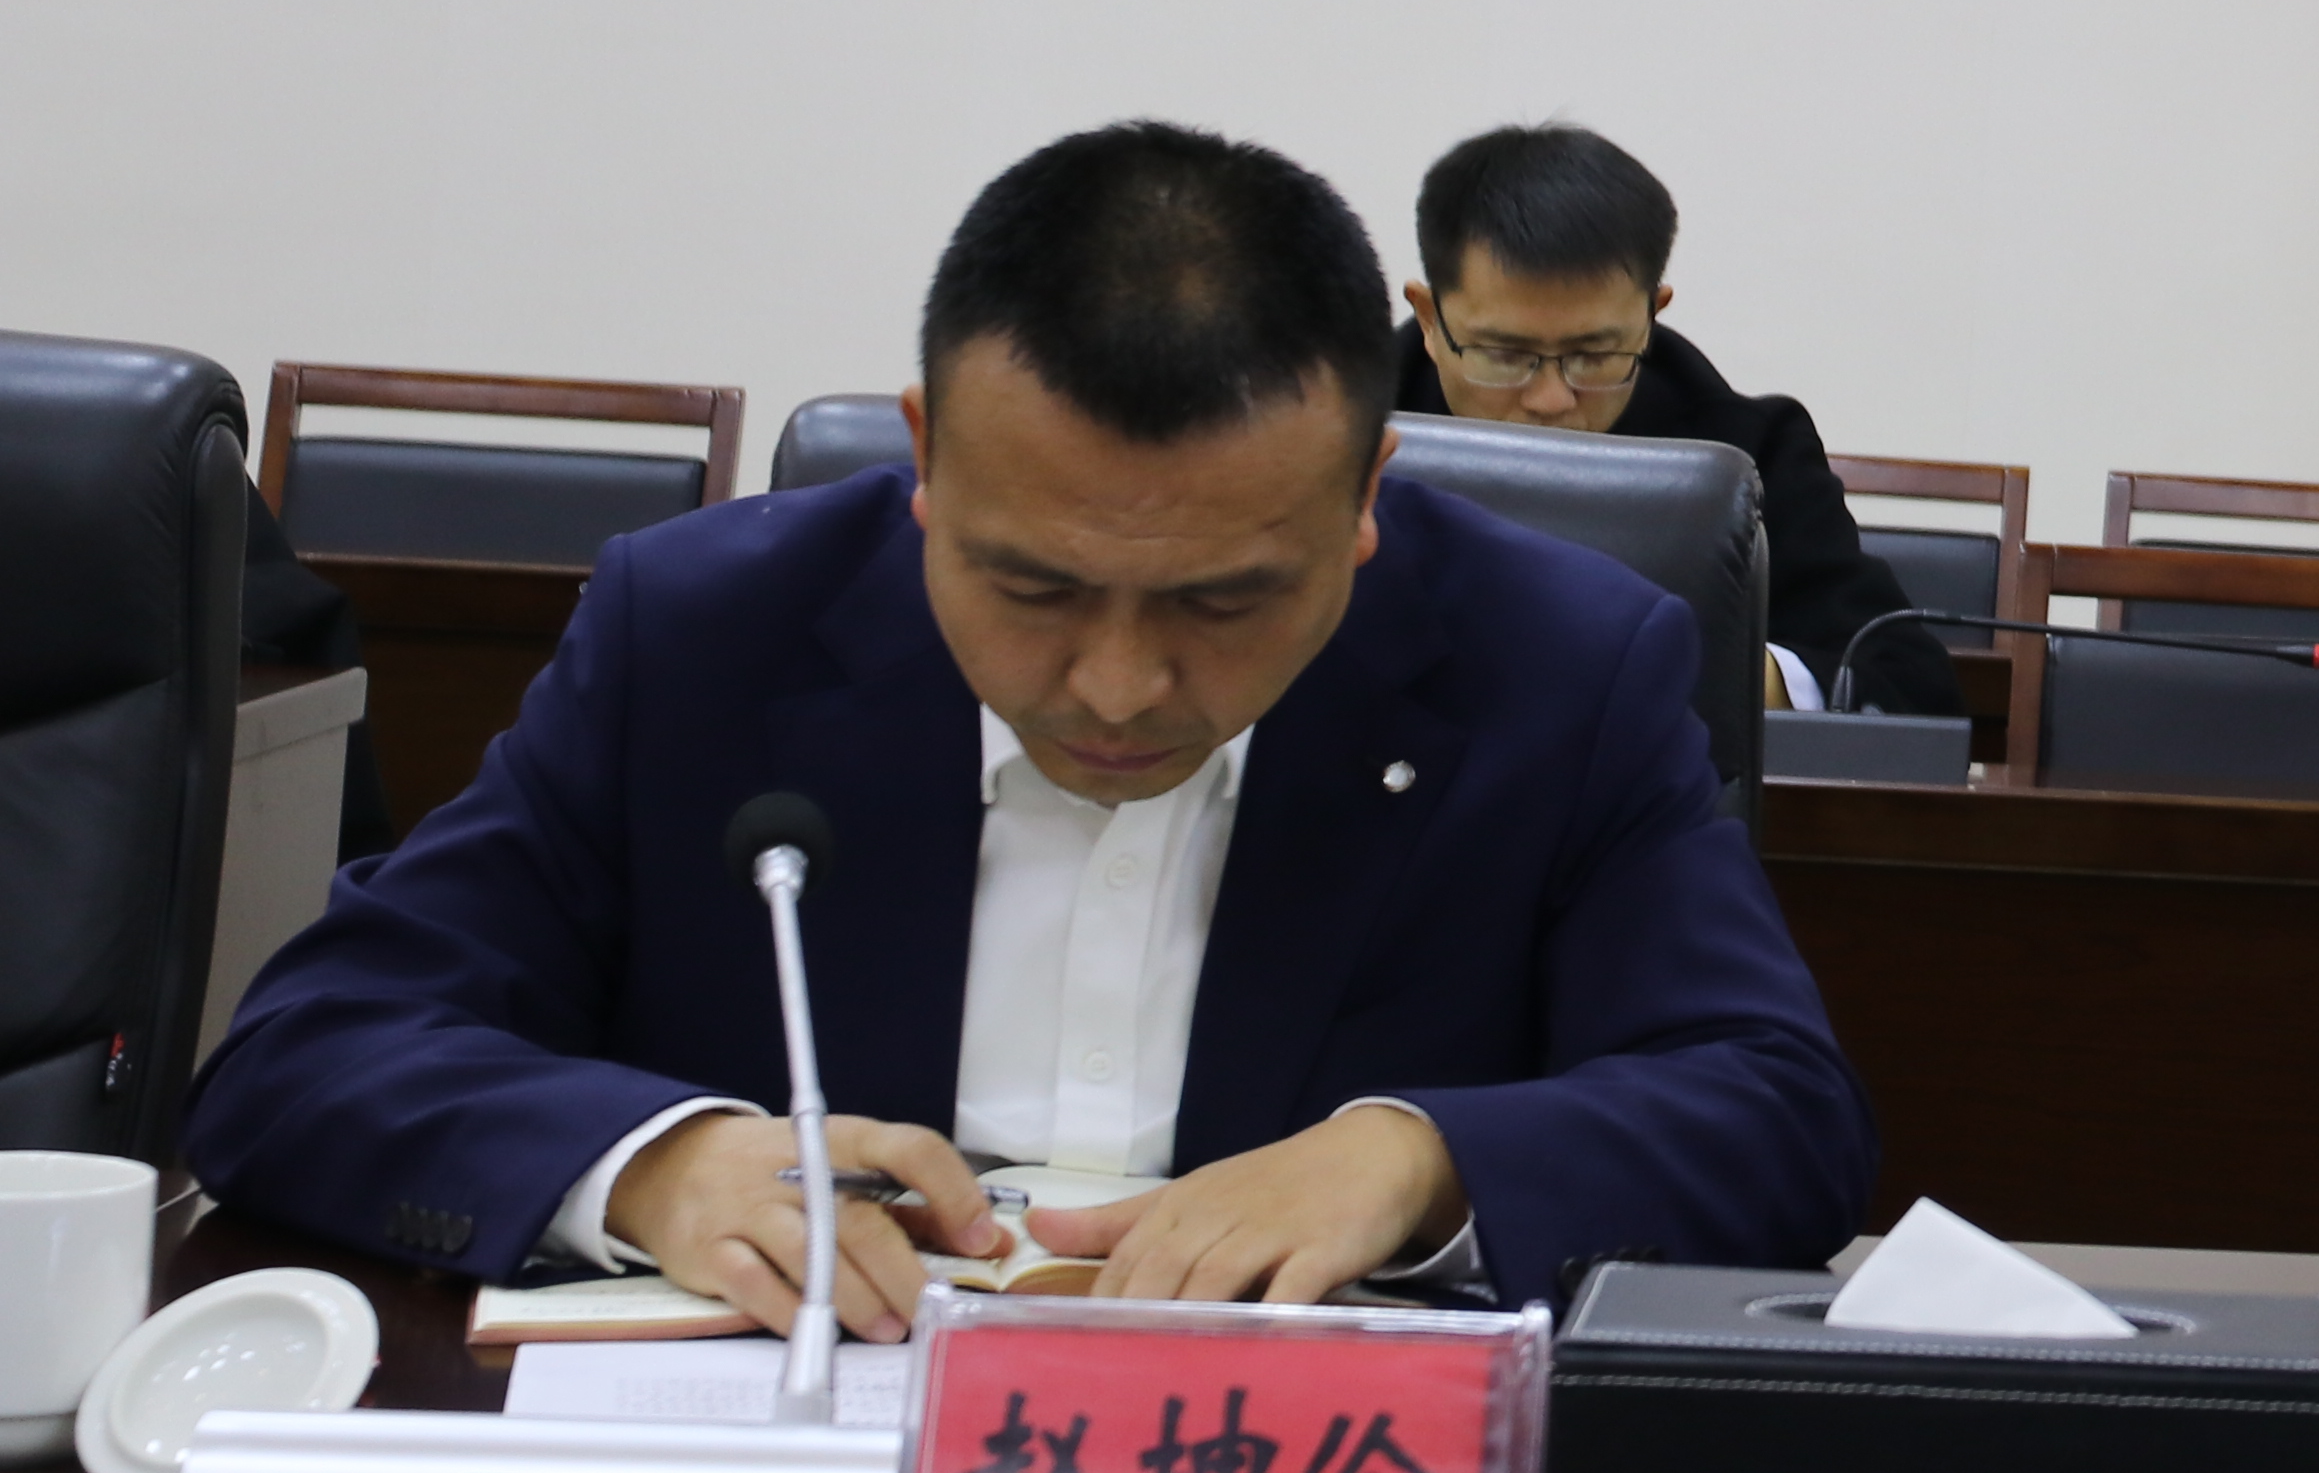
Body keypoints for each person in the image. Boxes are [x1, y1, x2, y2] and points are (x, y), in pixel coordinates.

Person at [193, 120, 1875, 1328]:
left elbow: (1776, 1119)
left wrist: (1416, 1162)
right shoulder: (704, 632)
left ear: (1367, 491)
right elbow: (309, 1053)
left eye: (1224, 601)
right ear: (927, 460)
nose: (1118, 686)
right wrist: (655, 1167)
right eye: (1035, 588)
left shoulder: (1554, 665)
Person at [1395, 122, 1936, 714]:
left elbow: (1905, 685)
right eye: (1504, 355)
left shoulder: (1743, 454)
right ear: (1430, 319)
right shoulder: (1350, 431)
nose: (1551, 399)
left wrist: (1696, 669)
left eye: (1594, 355)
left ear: (1650, 318)